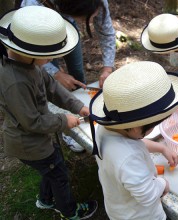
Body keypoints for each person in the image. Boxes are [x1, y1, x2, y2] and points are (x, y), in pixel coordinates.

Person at [0, 6, 97, 219]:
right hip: (28, 143)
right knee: (59, 174)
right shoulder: (16, 82)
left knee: (51, 168)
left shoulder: (29, 65)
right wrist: (64, 120)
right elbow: (32, 122)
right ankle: (69, 211)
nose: (52, 60)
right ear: (32, 54)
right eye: (49, 56)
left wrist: (76, 105)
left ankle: (45, 200)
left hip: (37, 140)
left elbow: (52, 88)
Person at [88, 61, 178, 220]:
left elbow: (134, 143)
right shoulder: (129, 158)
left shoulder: (107, 129)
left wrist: (161, 148)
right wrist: (162, 184)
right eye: (151, 128)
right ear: (135, 128)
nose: (151, 131)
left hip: (119, 208)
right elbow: (148, 196)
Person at [20, 0, 116, 153]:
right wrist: (54, 73)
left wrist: (107, 69)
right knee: (51, 85)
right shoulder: (32, 8)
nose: (93, 19)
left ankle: (82, 117)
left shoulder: (97, 2)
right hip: (39, 37)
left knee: (76, 74)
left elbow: (107, 33)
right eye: (89, 17)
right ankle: (67, 127)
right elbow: (29, 54)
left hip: (65, 22)